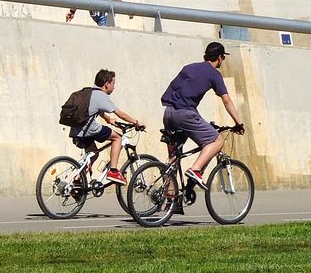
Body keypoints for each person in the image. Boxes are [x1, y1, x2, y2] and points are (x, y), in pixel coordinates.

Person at [161, 42, 246, 188]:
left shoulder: (188, 68)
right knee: (217, 141)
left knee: (173, 157)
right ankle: (195, 170)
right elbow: (226, 100)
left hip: (168, 113)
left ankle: (169, 199)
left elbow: (175, 89)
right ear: (219, 57)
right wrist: (238, 123)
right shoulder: (214, 74)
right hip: (185, 115)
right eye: (223, 58)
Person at [70, 69, 145, 185]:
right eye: (113, 84)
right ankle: (113, 171)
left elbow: (94, 110)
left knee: (94, 153)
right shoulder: (101, 96)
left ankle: (78, 180)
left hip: (76, 130)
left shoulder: (89, 93)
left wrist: (108, 119)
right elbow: (119, 114)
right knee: (118, 138)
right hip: (89, 129)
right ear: (107, 84)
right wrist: (136, 122)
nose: (114, 87)